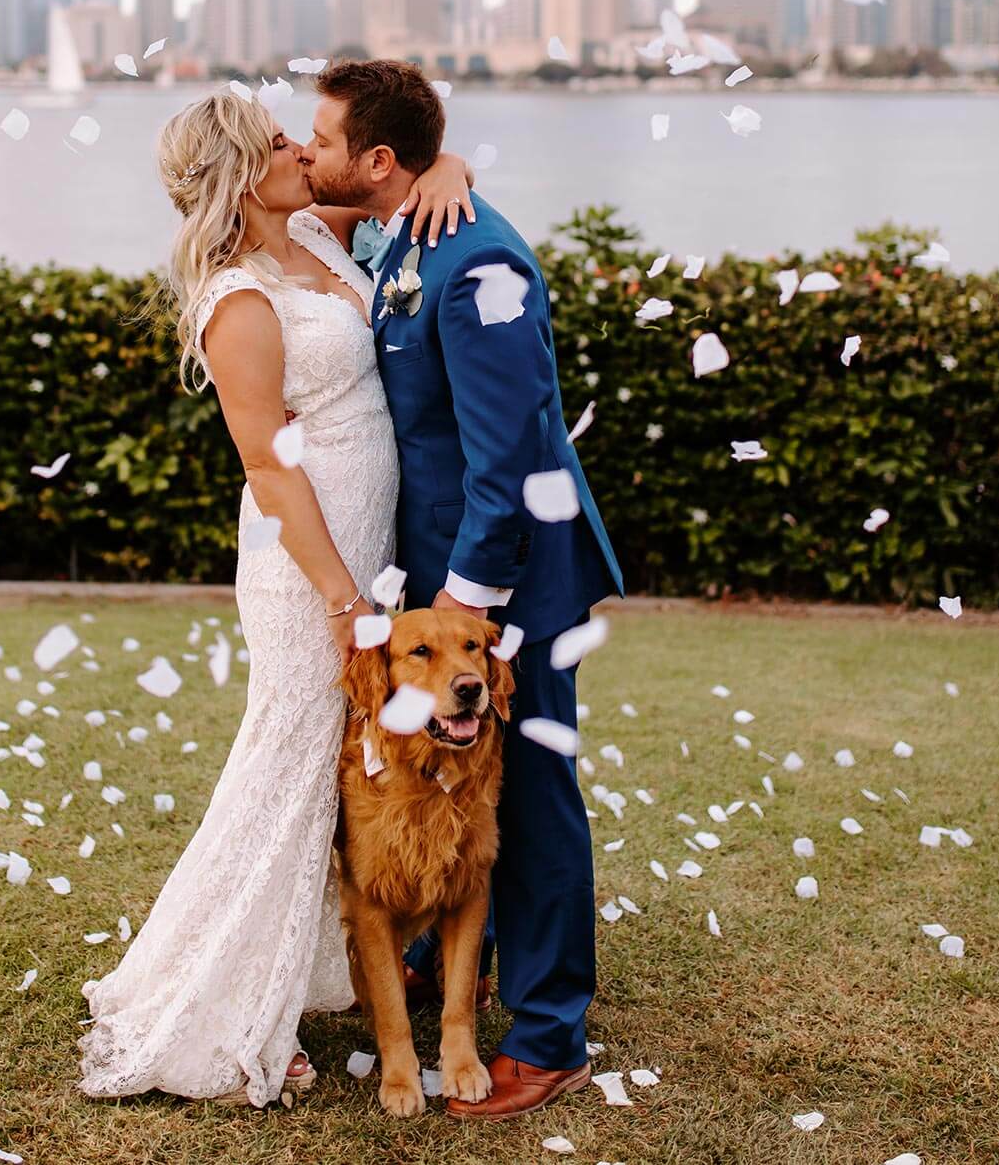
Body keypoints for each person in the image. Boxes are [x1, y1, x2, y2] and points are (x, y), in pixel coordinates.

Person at [75, 87, 474, 1108]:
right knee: (289, 769)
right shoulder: (238, 298)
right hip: (310, 566)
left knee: (321, 772)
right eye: (280, 141)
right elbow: (268, 463)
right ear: (244, 173)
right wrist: (342, 598)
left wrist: (450, 170)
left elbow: (402, 181)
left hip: (366, 540)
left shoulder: (309, 228)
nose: (303, 146)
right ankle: (221, 1003)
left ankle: (290, 971)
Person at [299, 59, 624, 1121]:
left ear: (377, 161)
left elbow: (511, 461)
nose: (308, 153)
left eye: (323, 138)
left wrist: (469, 614)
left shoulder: (477, 255)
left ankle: (547, 1035)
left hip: (502, 583)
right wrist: (449, 165)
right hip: (435, 587)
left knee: (527, 799)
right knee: (444, 781)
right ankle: (463, 969)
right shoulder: (403, 229)